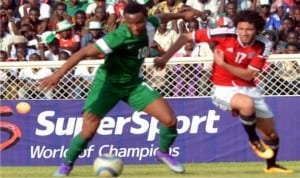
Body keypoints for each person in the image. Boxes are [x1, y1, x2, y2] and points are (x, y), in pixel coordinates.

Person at [39, 2, 199, 176]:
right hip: (107, 84)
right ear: (124, 21)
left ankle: (162, 153)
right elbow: (83, 52)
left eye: (138, 22)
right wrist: (57, 75)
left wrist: (182, 16)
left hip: (133, 85)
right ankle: (66, 165)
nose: (134, 27)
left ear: (145, 20)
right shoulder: (118, 37)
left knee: (170, 120)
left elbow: (161, 17)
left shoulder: (150, 25)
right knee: (88, 131)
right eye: (129, 23)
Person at [153, 10, 293, 173]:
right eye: (241, 28)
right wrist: (164, 58)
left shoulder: (264, 45)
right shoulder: (224, 34)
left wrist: (223, 64)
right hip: (223, 87)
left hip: (248, 87)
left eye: (249, 29)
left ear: (257, 30)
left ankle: (271, 166)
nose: (244, 33)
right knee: (246, 105)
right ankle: (253, 140)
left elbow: (249, 74)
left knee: (271, 133)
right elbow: (187, 37)